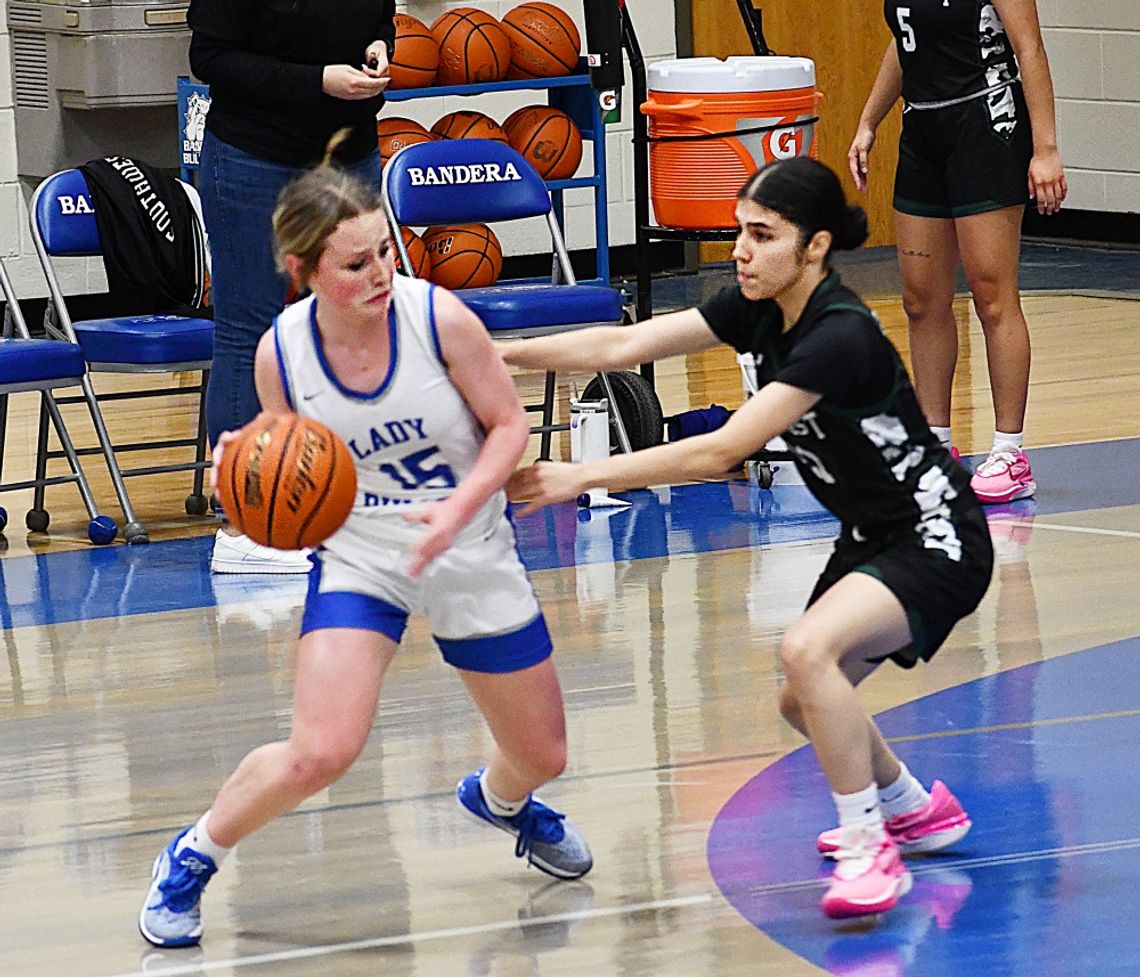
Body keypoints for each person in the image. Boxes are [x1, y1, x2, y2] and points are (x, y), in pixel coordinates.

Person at [503, 157, 993, 920]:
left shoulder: (839, 335)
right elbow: (621, 348)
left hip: (937, 535)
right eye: (740, 231)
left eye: (763, 235)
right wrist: (503, 352)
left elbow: (719, 451)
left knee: (807, 649)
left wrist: (572, 475)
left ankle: (868, 844)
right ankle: (909, 805)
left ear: (816, 247)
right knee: (804, 700)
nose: (741, 249)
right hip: (875, 533)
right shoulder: (759, 306)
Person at [139, 160, 592, 949]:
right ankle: (193, 853)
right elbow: (286, 456)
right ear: (303, 270)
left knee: (543, 754)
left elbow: (510, 425)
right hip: (361, 556)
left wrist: (457, 507)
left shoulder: (439, 319)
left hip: (468, 545)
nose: (382, 271)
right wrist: (243, 473)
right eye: (357, 262)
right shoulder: (281, 353)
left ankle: (504, 800)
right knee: (322, 749)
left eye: (385, 250)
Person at [188, 0, 395, 572]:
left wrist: (382, 48)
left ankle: (343, 499)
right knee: (248, 329)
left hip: (349, 152)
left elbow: (377, 17)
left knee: (357, 323)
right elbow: (210, 57)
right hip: (255, 154)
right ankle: (242, 523)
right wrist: (318, 82)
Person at [847, 0, 1066, 504]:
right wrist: (868, 120)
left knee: (992, 293)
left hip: (985, 126)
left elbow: (1029, 48)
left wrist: (1046, 148)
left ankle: (1011, 453)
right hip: (923, 130)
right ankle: (934, 445)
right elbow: (907, 43)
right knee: (921, 300)